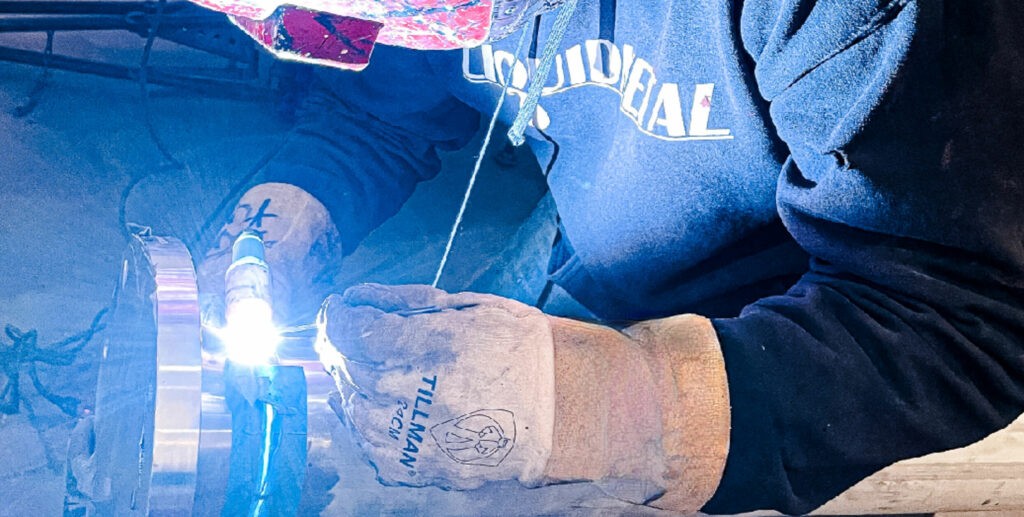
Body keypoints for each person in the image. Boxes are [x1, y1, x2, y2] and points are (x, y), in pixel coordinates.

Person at [191, 0, 1024, 514]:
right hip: (610, 228)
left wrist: (608, 406)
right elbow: (381, 107)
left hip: (802, 340)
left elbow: (958, 322)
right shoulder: (402, 11)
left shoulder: (873, 16)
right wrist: (291, 213)